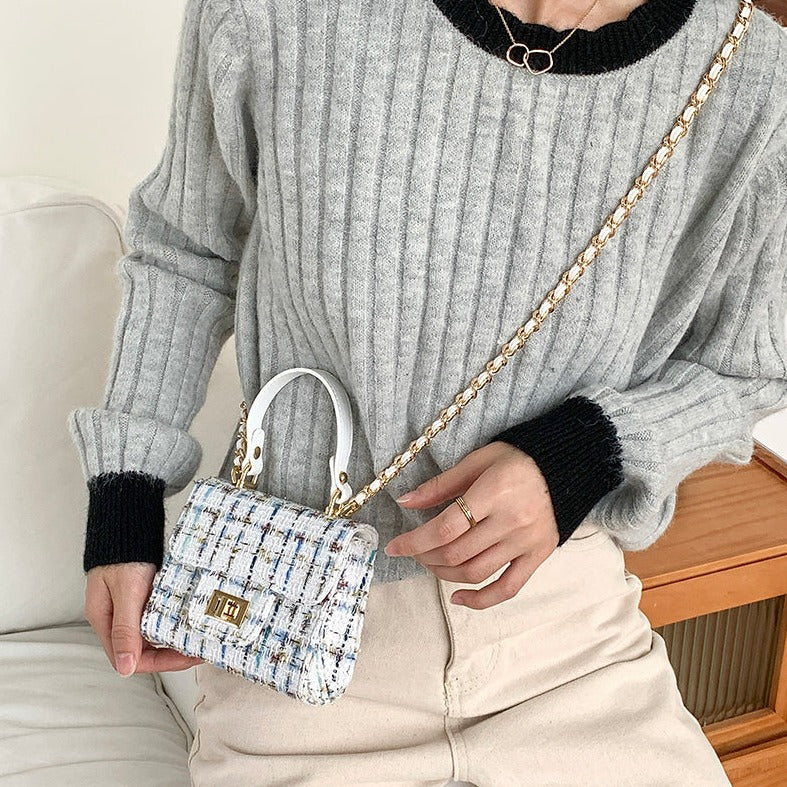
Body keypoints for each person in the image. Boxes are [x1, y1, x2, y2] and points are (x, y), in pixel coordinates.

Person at [67, 0, 787, 784]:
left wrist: (585, 450)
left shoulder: (748, 73)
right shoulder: (276, 13)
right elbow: (187, 250)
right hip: (292, 630)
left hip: (569, 640)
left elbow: (749, 363)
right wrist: (125, 494)